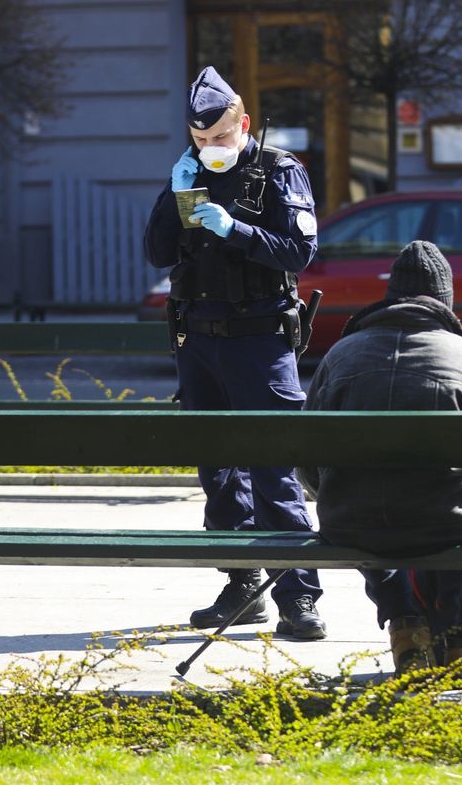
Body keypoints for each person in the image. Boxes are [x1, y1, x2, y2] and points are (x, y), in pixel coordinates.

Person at [143, 66, 325, 639]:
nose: (210, 148)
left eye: (220, 137)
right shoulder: (189, 173)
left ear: (242, 124)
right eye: (200, 140)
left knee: (273, 464)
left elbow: (299, 251)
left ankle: (298, 595)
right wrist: (173, 197)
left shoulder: (278, 172)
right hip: (197, 340)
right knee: (219, 470)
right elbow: (156, 254)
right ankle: (243, 583)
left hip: (259, 338)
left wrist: (234, 230)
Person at [297, 241, 462, 677]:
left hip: (351, 520)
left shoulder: (341, 356)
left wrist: (335, 492)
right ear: (445, 302)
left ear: (390, 296)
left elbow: (306, 457)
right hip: (445, 521)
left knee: (366, 512)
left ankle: (406, 624)